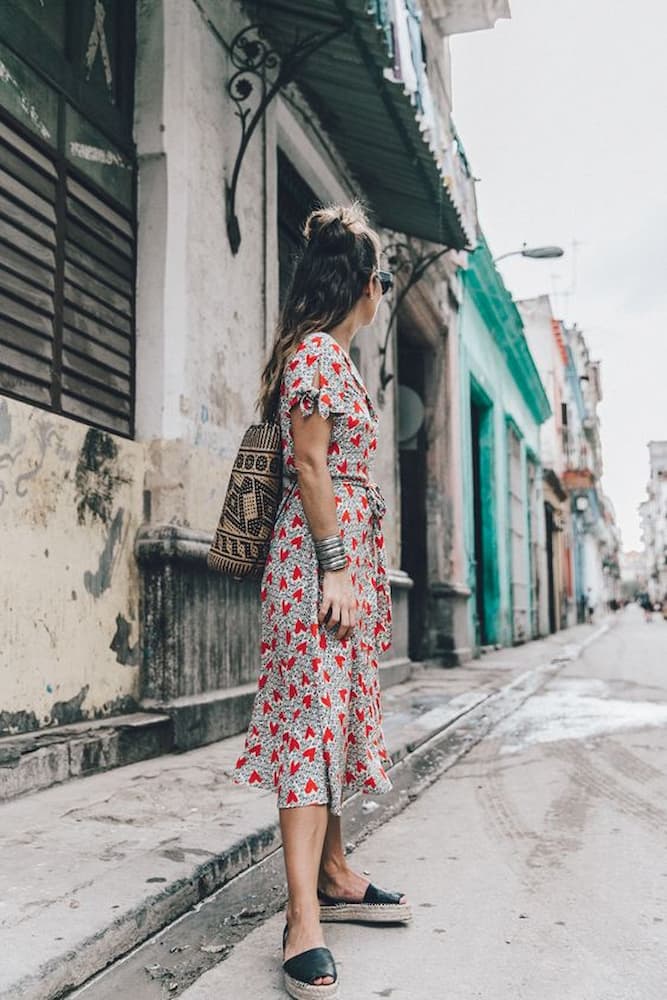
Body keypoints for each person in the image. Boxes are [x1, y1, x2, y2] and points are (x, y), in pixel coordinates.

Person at [234, 204, 411, 998]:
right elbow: (310, 467)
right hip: (316, 566)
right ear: (362, 287)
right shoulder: (314, 357)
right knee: (310, 728)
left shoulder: (331, 361)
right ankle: (301, 915)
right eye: (378, 275)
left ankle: (335, 872)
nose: (381, 290)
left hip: (340, 566)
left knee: (331, 719)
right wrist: (337, 568)